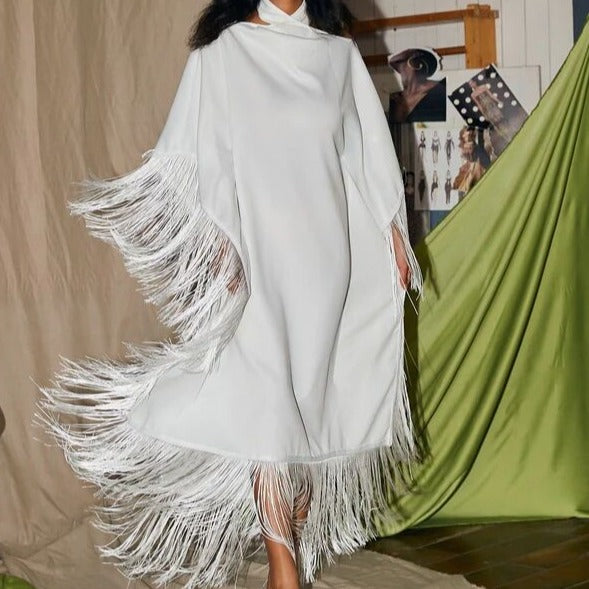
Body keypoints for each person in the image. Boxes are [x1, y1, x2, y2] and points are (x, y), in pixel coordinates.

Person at [33, 1, 423, 589]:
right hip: (259, 256)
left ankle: (291, 533)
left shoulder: (337, 56)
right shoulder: (224, 53)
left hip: (327, 259)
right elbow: (199, 153)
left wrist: (393, 233)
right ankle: (282, 567)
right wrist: (218, 246)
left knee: (309, 405)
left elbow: (364, 153)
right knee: (268, 404)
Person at [388, 48, 446, 123]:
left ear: (417, 65)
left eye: (405, 66)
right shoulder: (396, 98)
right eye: (399, 67)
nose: (402, 70)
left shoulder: (439, 89)